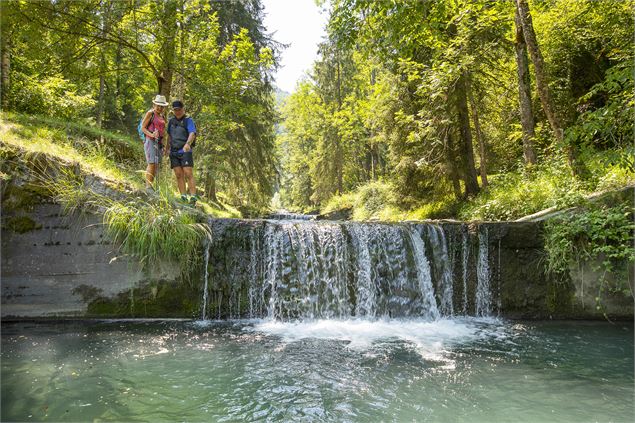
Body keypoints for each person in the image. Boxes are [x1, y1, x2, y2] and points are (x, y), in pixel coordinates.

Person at [166, 100, 199, 204]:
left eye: (179, 109)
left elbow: (192, 133)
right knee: (178, 174)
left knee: (188, 173)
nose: (177, 112)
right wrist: (167, 148)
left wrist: (188, 144)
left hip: (185, 150)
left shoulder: (188, 120)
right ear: (173, 110)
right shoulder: (171, 121)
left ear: (183, 109)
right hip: (174, 151)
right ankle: (183, 196)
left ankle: (193, 197)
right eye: (175, 110)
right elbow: (169, 136)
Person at [141, 94, 168, 192]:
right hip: (150, 140)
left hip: (159, 142)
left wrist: (164, 145)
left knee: (156, 164)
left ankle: (150, 185)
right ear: (154, 105)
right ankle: (148, 186)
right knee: (152, 162)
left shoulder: (162, 116)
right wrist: (152, 135)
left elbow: (163, 131)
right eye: (158, 105)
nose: (160, 108)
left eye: (162, 106)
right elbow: (143, 128)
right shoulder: (150, 113)